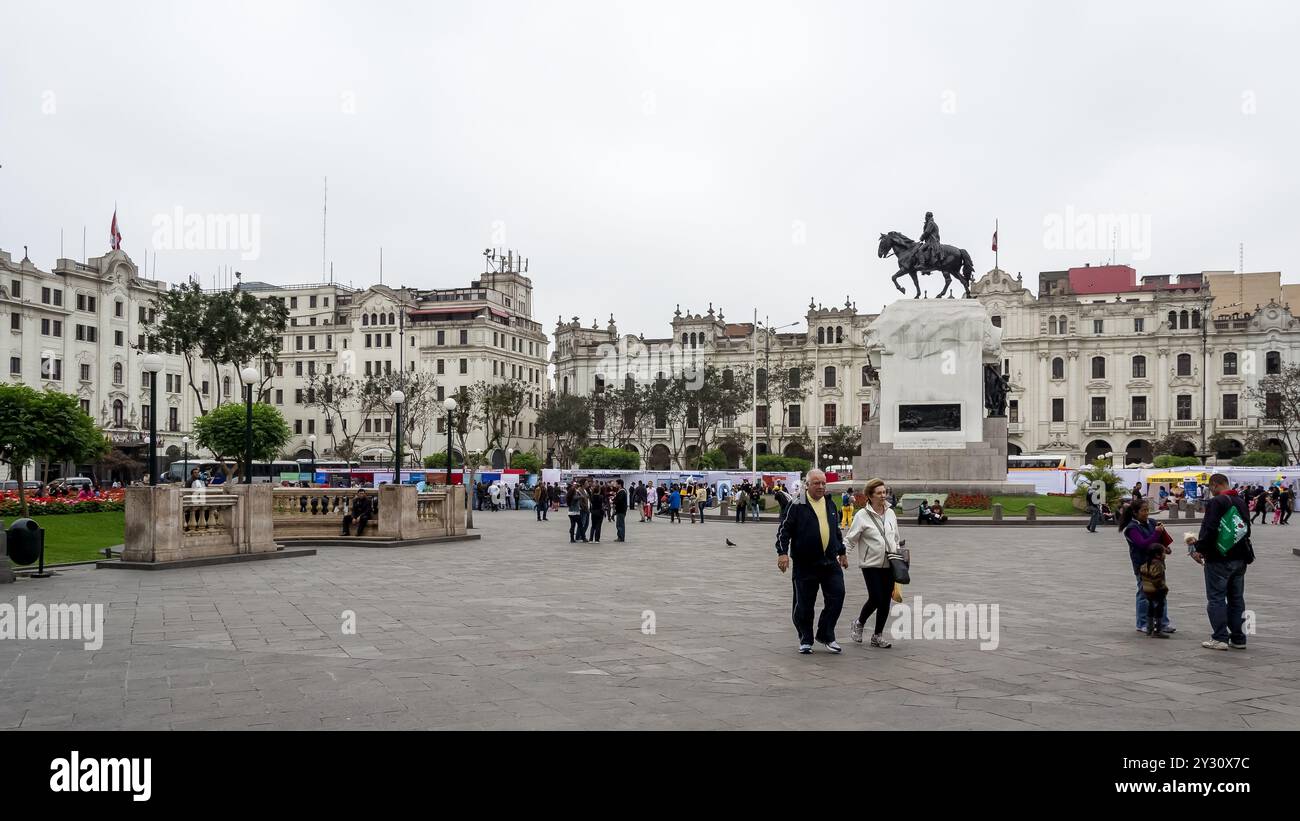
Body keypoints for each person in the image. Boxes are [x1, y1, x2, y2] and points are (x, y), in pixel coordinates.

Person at [776, 469, 848, 654]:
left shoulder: (830, 504)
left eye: (823, 483)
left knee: (837, 596)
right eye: (816, 483)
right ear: (807, 485)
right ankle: (805, 638)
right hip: (805, 563)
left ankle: (826, 634)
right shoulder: (797, 503)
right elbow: (784, 530)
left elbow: (836, 531)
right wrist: (782, 553)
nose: (821, 486)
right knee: (804, 603)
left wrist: (842, 552)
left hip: (829, 561)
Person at [1188, 473, 1252, 651]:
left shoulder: (1217, 502)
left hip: (1219, 558)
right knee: (1237, 598)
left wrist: (1199, 548)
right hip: (1240, 557)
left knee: (1216, 597)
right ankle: (1239, 638)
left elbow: (1211, 528)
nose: (1211, 491)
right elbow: (1246, 528)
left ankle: (1220, 637)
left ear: (1215, 485)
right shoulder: (1240, 501)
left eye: (1210, 487)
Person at [845, 478, 899, 648]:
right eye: (879, 493)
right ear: (870, 495)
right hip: (870, 563)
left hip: (890, 562)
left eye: (885, 492)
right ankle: (859, 622)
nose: (883, 496)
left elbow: (895, 536)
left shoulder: (890, 512)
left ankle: (878, 635)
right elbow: (850, 539)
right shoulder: (862, 515)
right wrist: (843, 555)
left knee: (885, 600)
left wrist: (897, 553)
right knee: (876, 597)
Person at [1118, 498, 1174, 637]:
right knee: (1144, 594)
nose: (1146, 513)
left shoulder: (1153, 523)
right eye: (1143, 510)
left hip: (1158, 565)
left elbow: (1159, 542)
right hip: (1143, 565)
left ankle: (1162, 623)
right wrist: (1156, 533)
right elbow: (1143, 545)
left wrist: (1165, 547)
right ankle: (1142, 623)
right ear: (1135, 512)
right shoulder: (1131, 529)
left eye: (1147, 510)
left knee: (1161, 593)